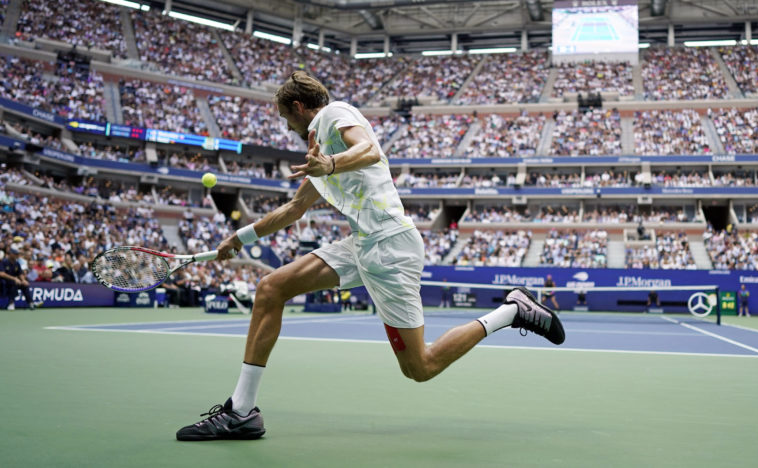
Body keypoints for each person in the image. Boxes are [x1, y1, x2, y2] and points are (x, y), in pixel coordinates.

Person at [175, 71, 565, 442]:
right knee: (271, 288)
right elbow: (293, 211)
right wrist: (238, 238)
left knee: (420, 367)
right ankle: (241, 412)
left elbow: (370, 149)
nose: (286, 127)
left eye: (284, 118)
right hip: (362, 242)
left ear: (297, 107)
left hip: (390, 248)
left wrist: (329, 164)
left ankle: (512, 311)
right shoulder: (320, 152)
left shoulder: (333, 115)